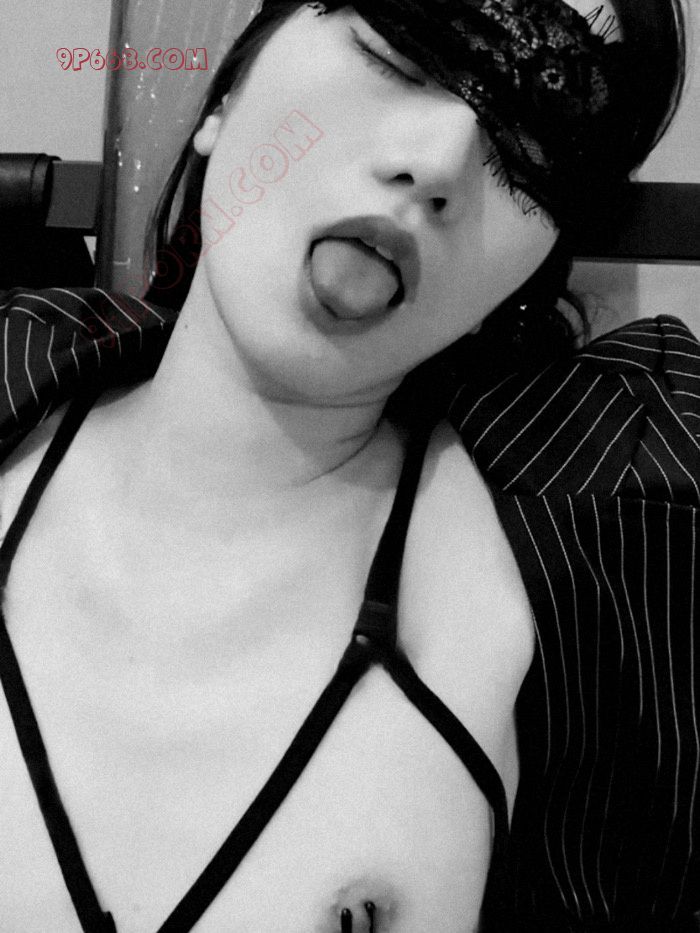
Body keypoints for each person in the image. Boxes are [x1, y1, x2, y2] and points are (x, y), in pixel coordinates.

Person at [0, 0, 692, 930]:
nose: (438, 164)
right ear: (227, 94)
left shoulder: (616, 521)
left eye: (532, 149)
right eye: (398, 54)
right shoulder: (14, 377)